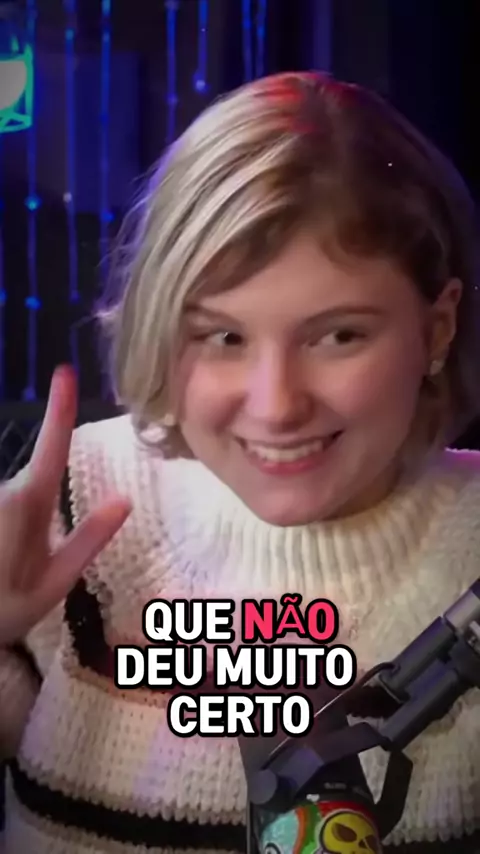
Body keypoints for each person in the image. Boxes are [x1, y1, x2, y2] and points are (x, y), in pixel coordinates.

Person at [1, 70, 480, 853]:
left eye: (339, 336)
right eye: (224, 336)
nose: (276, 405)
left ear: (436, 330)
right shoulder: (74, 504)